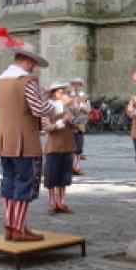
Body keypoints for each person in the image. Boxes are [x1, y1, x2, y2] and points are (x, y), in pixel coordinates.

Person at [0, 26, 55, 242]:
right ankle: (19, 229)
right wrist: (57, 106)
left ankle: (9, 225)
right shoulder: (27, 81)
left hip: (5, 140)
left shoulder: (0, 81)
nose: (33, 68)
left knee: (8, 181)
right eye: (33, 64)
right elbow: (38, 109)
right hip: (24, 141)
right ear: (27, 61)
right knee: (25, 182)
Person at [42, 82, 77, 214]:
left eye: (64, 92)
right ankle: (52, 203)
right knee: (52, 177)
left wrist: (72, 118)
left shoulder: (67, 108)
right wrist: (61, 122)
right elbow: (46, 127)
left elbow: (77, 125)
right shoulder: (47, 108)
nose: (63, 94)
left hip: (67, 144)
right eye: (60, 92)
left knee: (64, 177)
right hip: (54, 146)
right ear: (54, 93)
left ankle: (61, 202)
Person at [68, 77, 91, 174]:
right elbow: (66, 108)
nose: (76, 86)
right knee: (69, 147)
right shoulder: (69, 96)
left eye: (78, 84)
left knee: (79, 147)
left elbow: (88, 110)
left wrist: (82, 105)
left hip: (80, 124)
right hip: (69, 124)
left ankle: (77, 167)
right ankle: (70, 167)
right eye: (74, 84)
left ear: (81, 86)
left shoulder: (85, 96)